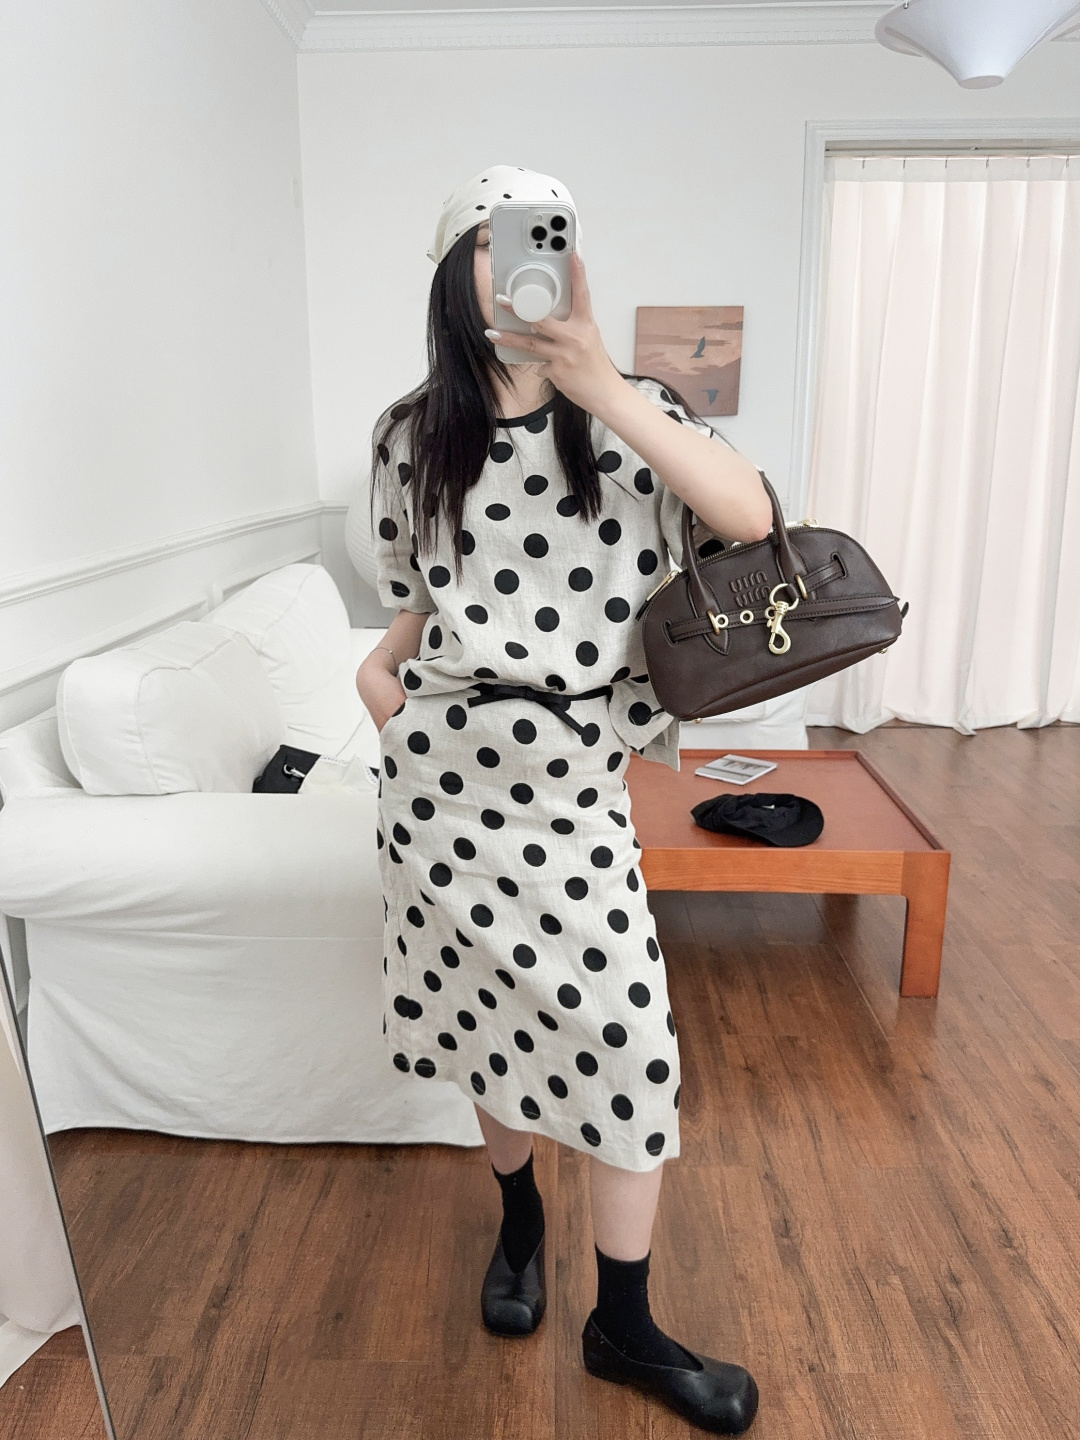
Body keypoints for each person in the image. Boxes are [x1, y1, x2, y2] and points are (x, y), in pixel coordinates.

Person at [355, 166, 770, 1435]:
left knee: (633, 1051)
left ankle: (622, 1322)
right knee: (487, 1027)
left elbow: (752, 521)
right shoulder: (408, 434)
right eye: (496, 237)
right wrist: (385, 692)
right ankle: (521, 1220)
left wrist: (604, 389)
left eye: (547, 235)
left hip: (576, 796)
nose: (525, 255)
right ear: (456, 268)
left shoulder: (633, 413)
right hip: (440, 796)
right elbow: (414, 605)